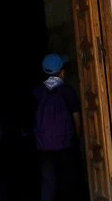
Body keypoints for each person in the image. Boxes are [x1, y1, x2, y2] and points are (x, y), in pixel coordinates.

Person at [34, 53, 82, 201]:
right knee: (67, 181)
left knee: (48, 183)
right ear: (62, 72)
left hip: (44, 146)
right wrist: (76, 138)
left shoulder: (38, 92)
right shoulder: (67, 91)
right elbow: (76, 118)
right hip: (65, 145)